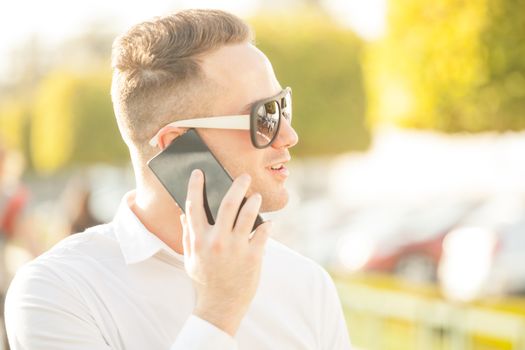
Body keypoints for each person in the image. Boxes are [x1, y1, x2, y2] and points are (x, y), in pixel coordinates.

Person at [4, 9, 352, 350]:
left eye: (283, 107)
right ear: (179, 145)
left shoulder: (307, 283)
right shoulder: (58, 291)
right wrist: (218, 311)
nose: (289, 135)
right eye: (265, 117)